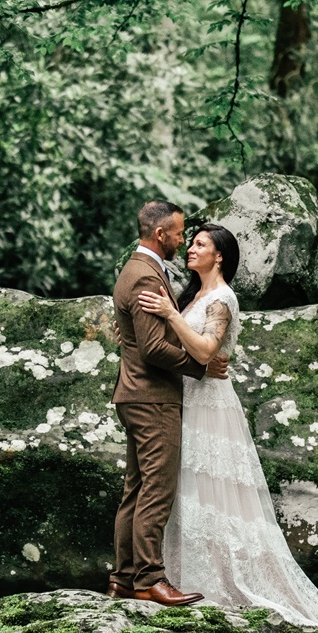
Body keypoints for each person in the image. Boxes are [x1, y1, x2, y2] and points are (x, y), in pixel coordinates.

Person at [135, 223, 318, 633]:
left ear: (220, 255)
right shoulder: (192, 295)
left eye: (200, 244)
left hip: (210, 406)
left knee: (214, 492)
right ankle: (183, 577)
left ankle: (222, 583)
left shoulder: (223, 299)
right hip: (183, 399)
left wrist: (169, 314)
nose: (191, 249)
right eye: (191, 242)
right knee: (185, 489)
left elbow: (205, 350)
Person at [109, 202, 227, 606]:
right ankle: (148, 579)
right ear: (160, 234)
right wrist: (200, 367)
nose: (182, 240)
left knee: (136, 490)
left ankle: (122, 580)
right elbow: (154, 349)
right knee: (156, 492)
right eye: (178, 233)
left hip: (136, 394)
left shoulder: (138, 269)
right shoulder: (144, 274)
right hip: (152, 397)